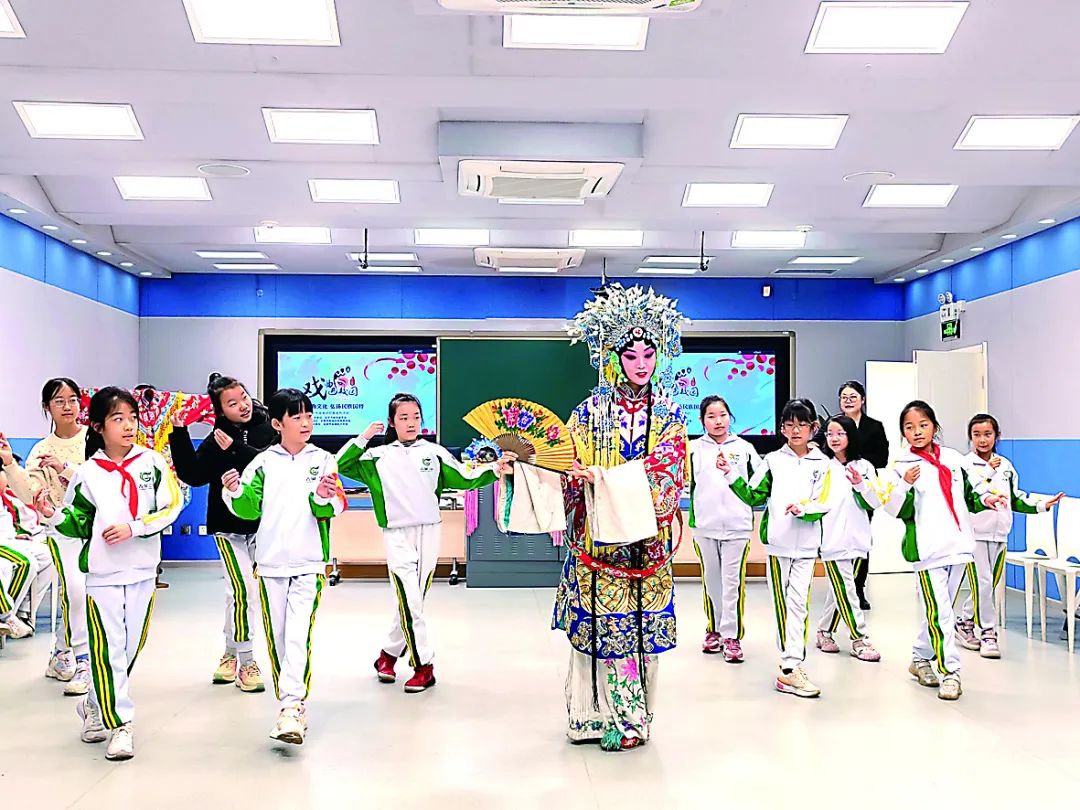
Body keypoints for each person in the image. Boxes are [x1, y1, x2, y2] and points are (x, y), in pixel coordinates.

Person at [504, 284, 690, 751]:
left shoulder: (670, 414)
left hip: (646, 543)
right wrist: (521, 465)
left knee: (640, 633)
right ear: (613, 358)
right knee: (604, 629)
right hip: (597, 545)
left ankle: (634, 720)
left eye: (649, 354)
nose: (641, 364)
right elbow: (560, 463)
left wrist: (604, 479)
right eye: (631, 355)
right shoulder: (587, 413)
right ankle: (592, 715)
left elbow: (667, 470)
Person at [36, 387, 183, 760]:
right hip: (102, 573)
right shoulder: (88, 473)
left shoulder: (152, 463)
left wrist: (134, 528)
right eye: (119, 419)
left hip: (143, 570)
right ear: (99, 427)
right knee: (109, 648)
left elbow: (172, 506)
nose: (129, 426)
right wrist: (52, 514)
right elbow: (78, 520)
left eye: (132, 418)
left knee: (129, 647)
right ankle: (121, 724)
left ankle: (94, 702)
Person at [337, 394, 509, 693]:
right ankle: (424, 666)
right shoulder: (376, 457)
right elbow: (341, 464)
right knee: (410, 599)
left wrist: (496, 469)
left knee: (412, 600)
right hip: (396, 534)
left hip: (429, 531)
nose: (411, 423)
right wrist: (364, 438)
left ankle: (387, 655)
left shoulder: (434, 452)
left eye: (416, 417)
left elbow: (465, 477)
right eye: (403, 417)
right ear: (392, 422)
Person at [223, 388, 346, 746]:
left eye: (309, 415)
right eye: (297, 416)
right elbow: (248, 509)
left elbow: (336, 505)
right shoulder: (263, 463)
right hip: (271, 564)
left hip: (310, 562)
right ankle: (289, 705)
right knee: (278, 637)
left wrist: (324, 497)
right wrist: (234, 491)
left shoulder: (324, 460)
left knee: (298, 634)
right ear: (278, 424)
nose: (306, 422)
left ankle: (292, 706)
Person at [880, 400, 1006, 701]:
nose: (917, 432)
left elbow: (973, 491)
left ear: (934, 427)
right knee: (939, 611)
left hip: (958, 545)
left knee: (941, 611)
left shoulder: (953, 458)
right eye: (909, 427)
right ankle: (951, 672)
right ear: (903, 433)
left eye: (923, 425)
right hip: (927, 550)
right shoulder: (900, 465)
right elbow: (893, 508)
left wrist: (988, 499)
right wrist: (905, 485)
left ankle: (920, 657)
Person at [169, 373, 277, 691]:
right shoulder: (217, 437)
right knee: (244, 591)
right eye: (232, 403)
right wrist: (179, 432)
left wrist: (235, 449)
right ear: (219, 410)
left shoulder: (269, 428)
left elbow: (270, 466)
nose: (242, 405)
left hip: (263, 526)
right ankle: (247, 662)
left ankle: (229, 652)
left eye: (243, 397)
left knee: (238, 594)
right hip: (227, 528)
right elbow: (193, 474)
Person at [721, 399, 830, 699]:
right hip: (778, 544)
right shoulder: (772, 461)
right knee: (784, 605)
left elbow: (824, 501)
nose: (795, 430)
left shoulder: (823, 464)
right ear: (782, 428)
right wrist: (731, 474)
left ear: (813, 428)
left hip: (807, 545)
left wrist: (804, 509)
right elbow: (754, 495)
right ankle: (789, 665)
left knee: (799, 604)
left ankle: (791, 665)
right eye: (789, 424)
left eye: (802, 424)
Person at [1, 377, 90, 693]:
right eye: (59, 401)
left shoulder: (94, 439)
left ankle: (61, 652)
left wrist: (66, 468)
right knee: (75, 591)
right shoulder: (41, 449)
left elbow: (100, 482)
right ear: (46, 407)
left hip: (99, 529)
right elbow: (29, 493)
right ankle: (82, 660)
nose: (68, 406)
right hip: (61, 529)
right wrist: (10, 464)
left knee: (90, 595)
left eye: (72, 399)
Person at [957, 414, 1063, 657]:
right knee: (983, 583)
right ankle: (988, 633)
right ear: (970, 437)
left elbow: (1015, 498)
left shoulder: (1005, 466)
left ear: (997, 436)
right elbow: (969, 497)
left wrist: (1042, 505)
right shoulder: (964, 465)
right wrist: (987, 471)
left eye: (987, 434)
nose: (982, 440)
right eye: (976, 435)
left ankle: (965, 622)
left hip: (1000, 534)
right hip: (974, 534)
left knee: (988, 584)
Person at [689, 395, 761, 663]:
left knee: (732, 583)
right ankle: (714, 629)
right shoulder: (693, 449)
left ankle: (732, 636)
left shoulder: (746, 448)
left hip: (737, 527)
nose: (718, 421)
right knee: (711, 581)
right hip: (704, 526)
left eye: (722, 415)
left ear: (730, 417)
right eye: (711, 416)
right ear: (702, 420)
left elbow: (756, 486)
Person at [814, 415, 882, 662]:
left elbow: (875, 501)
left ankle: (824, 631)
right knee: (846, 590)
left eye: (840, 433)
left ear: (851, 435)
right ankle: (859, 638)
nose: (834, 438)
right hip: (831, 540)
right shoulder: (821, 466)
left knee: (841, 589)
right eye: (830, 433)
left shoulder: (864, 467)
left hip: (858, 538)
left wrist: (860, 484)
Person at [835, 381, 889, 611]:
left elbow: (882, 458)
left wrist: (857, 460)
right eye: (844, 397)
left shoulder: (874, 427)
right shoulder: (833, 425)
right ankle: (839, 586)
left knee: (861, 538)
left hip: (864, 487)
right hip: (836, 488)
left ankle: (858, 587)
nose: (848, 400)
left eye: (853, 396)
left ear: (863, 400)